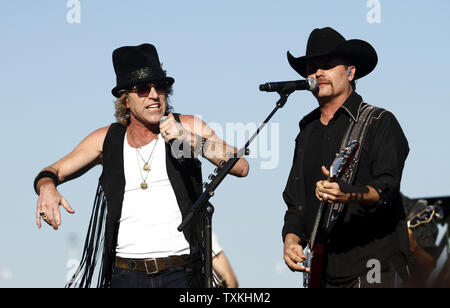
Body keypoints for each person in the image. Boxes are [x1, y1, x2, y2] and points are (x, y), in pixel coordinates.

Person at [33, 43, 249, 288]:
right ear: (125, 100)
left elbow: (240, 165)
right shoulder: (108, 140)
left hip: (182, 273)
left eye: (161, 87)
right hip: (126, 275)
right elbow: (52, 171)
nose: (154, 95)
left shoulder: (186, 126)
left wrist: (190, 140)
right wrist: (47, 188)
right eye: (143, 89)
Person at [281, 27, 410, 288]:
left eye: (327, 65)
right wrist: (291, 242)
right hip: (323, 273)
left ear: (350, 72)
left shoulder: (379, 122)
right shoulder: (306, 131)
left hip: (374, 269)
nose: (317, 73)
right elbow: (297, 204)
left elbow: (387, 190)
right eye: (312, 67)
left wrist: (347, 193)